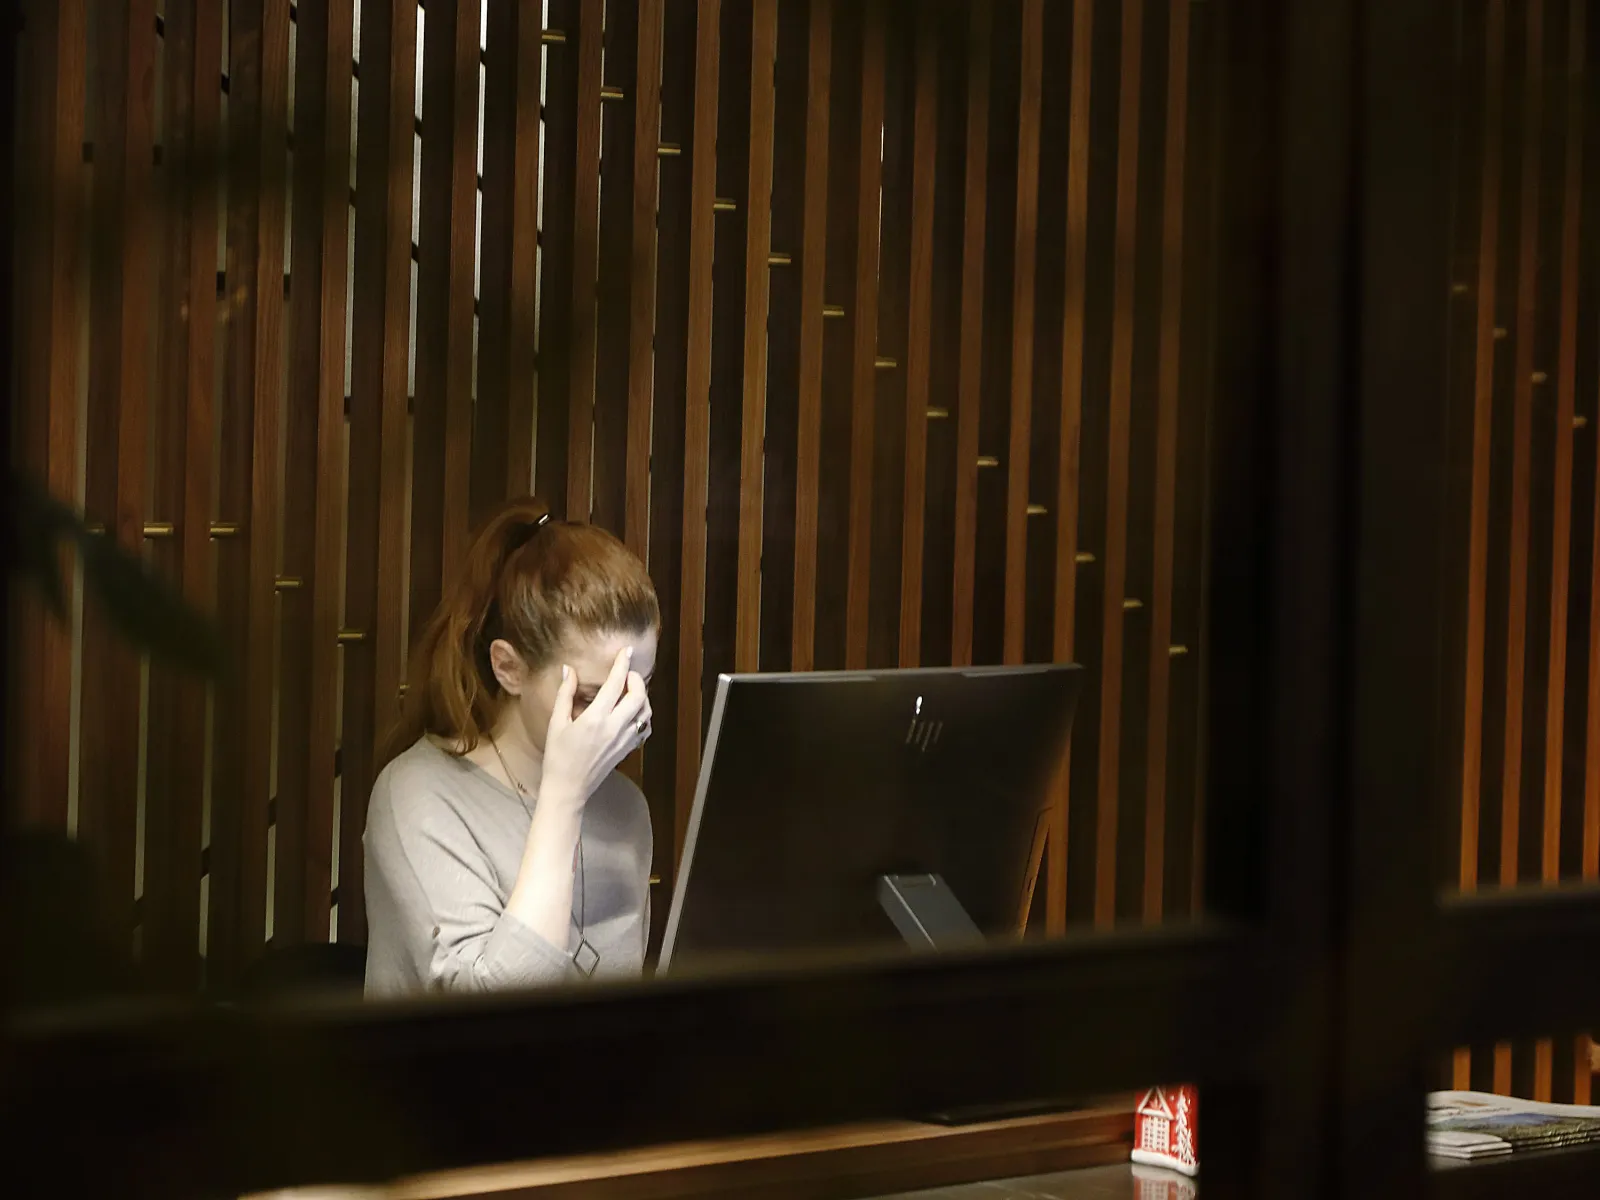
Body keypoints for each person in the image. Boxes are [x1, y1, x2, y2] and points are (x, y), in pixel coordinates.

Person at [363, 499, 659, 996]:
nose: (622, 719)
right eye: (591, 697)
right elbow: (492, 1017)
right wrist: (564, 798)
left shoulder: (625, 808)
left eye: (637, 690)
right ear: (509, 668)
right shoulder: (416, 795)